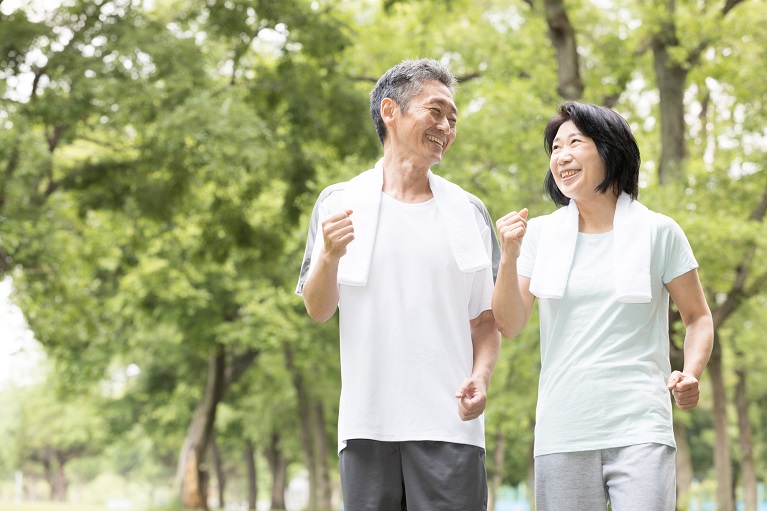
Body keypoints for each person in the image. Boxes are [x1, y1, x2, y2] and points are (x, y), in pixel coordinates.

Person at [296, 58, 501, 510]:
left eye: (453, 117)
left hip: (452, 428)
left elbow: (486, 320)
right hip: (368, 427)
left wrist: (481, 379)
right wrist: (329, 256)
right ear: (390, 111)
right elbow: (318, 308)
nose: (447, 126)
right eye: (436, 111)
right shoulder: (340, 203)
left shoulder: (469, 211)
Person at [492, 101, 714, 511]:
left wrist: (691, 372)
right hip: (563, 428)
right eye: (555, 147)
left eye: (575, 142)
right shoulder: (539, 235)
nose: (561, 155)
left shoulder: (658, 231)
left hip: (640, 425)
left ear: (610, 150)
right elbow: (508, 323)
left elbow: (698, 317)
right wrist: (508, 256)